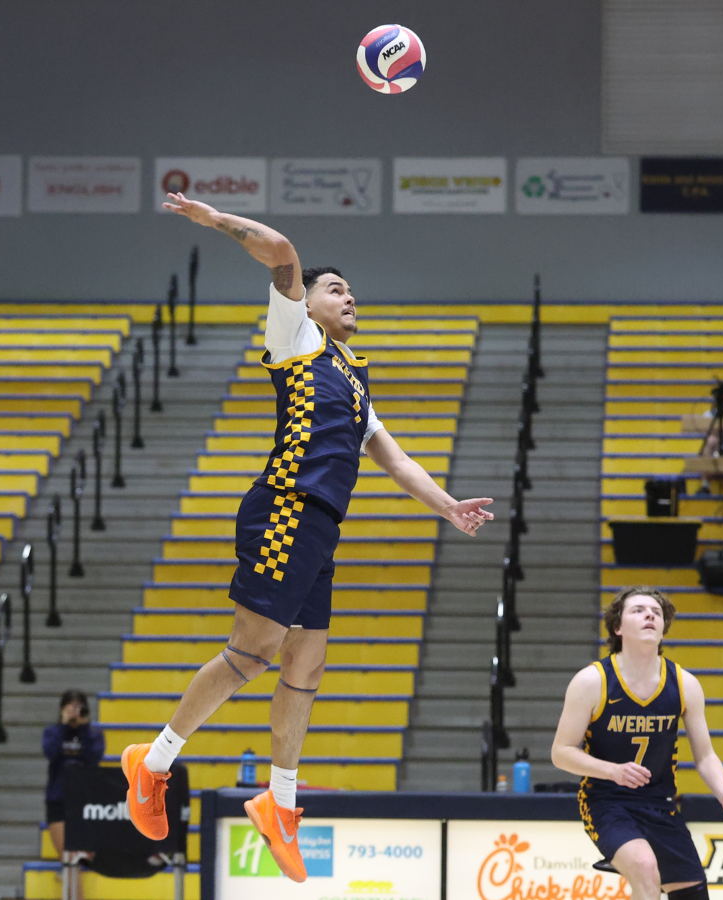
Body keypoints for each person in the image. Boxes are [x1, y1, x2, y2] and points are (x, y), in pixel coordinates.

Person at [123, 193, 495, 883]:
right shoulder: (294, 336)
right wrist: (213, 221)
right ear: (308, 302)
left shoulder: (355, 375)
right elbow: (283, 252)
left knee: (308, 667)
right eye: (335, 288)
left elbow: (393, 456)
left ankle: (281, 805)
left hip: (322, 524)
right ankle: (153, 766)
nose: (348, 296)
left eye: (351, 289)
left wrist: (446, 506)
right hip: (285, 508)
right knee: (253, 653)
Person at [551, 586, 723, 900]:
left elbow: (705, 757)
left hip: (660, 803)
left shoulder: (684, 683)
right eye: (638, 610)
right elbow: (561, 753)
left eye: (656, 612)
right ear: (617, 627)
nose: (649, 614)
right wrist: (612, 771)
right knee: (646, 868)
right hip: (606, 801)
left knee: (692, 893)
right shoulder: (592, 681)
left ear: (664, 628)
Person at [43, 689, 104, 881]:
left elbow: (94, 758)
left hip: (83, 802)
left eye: (79, 708)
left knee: (74, 860)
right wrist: (63, 725)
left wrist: (84, 729)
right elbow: (50, 752)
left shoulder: (93, 735)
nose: (75, 712)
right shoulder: (53, 732)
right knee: (68, 858)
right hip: (58, 801)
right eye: (71, 707)